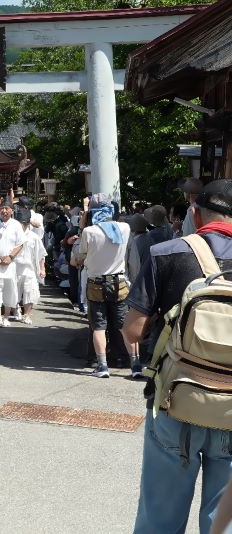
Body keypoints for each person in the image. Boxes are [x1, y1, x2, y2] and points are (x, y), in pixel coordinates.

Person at [123, 179, 232, 534]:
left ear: (195, 214)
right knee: (225, 522)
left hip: (176, 398)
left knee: (160, 519)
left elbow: (133, 331)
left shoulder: (167, 252)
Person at [72, 193, 138, 378]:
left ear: (92, 212)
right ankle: (136, 365)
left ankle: (102, 366)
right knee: (124, 325)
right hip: (119, 283)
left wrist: (82, 227)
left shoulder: (89, 232)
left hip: (96, 284)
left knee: (99, 327)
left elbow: (79, 257)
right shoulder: (125, 228)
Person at [0, 200, 25, 327]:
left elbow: (20, 244)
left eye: (7, 208)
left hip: (9, 263)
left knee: (10, 289)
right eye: (2, 208)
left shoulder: (16, 225)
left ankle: (6, 317)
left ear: (12, 211)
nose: (4, 211)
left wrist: (10, 257)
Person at [14, 208, 47, 325]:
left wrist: (42, 269)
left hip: (29, 268)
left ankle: (27, 315)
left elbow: (41, 254)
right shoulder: (12, 235)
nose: (22, 225)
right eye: (20, 223)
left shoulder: (34, 237)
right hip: (14, 267)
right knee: (14, 291)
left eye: (24, 223)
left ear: (28, 223)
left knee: (30, 291)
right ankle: (16, 310)